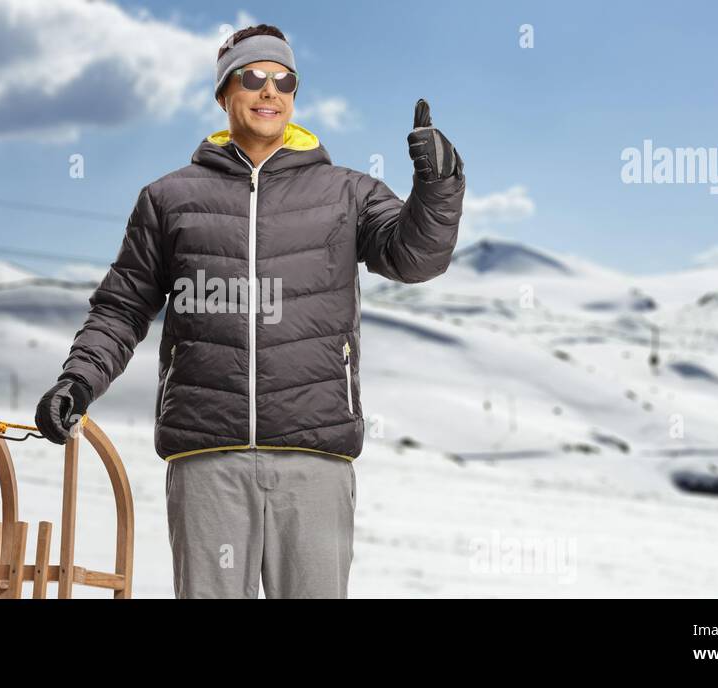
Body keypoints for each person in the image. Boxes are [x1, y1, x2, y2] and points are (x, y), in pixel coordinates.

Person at [35, 24, 464, 598]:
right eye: (253, 77)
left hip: (313, 452)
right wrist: (77, 380)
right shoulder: (169, 199)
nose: (270, 91)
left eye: (284, 81)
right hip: (208, 454)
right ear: (223, 93)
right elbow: (121, 306)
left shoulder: (347, 193)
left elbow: (414, 258)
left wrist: (438, 186)